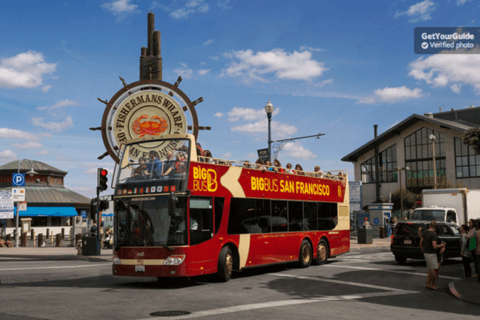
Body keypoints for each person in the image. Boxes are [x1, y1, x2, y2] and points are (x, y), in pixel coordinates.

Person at [419, 221, 446, 290]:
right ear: (435, 227)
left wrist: (422, 249)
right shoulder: (433, 235)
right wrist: (441, 245)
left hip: (426, 253)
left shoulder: (425, 232)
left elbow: (420, 242)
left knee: (430, 269)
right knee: (434, 270)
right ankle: (433, 285)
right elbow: (434, 246)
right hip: (432, 253)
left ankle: (428, 284)